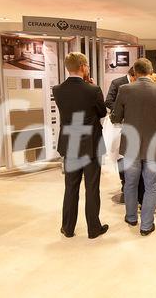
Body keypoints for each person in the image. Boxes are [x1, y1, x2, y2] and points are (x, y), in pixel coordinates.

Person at [111, 58, 156, 236]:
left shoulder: (124, 90)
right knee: (151, 186)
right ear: (151, 70)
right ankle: (146, 225)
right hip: (153, 146)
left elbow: (116, 118)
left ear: (135, 72)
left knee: (130, 184)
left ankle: (131, 217)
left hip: (130, 146)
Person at [52, 52, 109, 239]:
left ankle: (67, 228)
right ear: (83, 67)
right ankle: (94, 229)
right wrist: (91, 85)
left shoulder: (58, 89)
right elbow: (101, 112)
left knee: (71, 187)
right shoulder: (93, 90)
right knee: (92, 187)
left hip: (70, 143)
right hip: (91, 144)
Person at [104, 67, 136, 194]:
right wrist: (122, 112)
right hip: (119, 125)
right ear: (133, 75)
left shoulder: (138, 85)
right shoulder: (117, 83)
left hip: (135, 124)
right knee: (120, 154)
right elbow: (108, 101)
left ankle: (132, 183)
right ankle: (124, 182)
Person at [138, 73, 156, 206]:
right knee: (152, 180)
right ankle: (151, 201)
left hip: (142, 143)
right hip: (154, 143)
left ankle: (144, 201)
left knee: (144, 179)